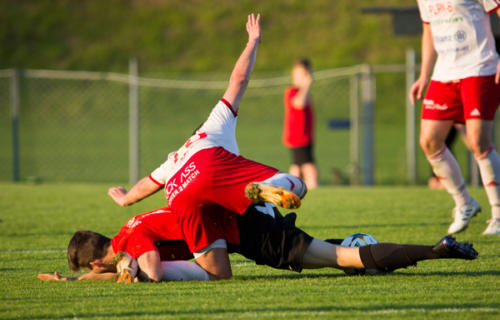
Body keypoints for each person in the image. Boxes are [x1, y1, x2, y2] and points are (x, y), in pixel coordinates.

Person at [107, 14, 307, 280]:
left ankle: (140, 270)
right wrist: (253, 42)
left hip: (191, 200)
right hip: (218, 175)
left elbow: (148, 183)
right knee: (300, 186)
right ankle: (275, 186)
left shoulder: (177, 157)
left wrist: (125, 199)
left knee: (216, 273)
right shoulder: (215, 124)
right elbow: (238, 81)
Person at [38, 204, 478, 283]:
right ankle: (419, 250)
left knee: (346, 258)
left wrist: (126, 272)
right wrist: (73, 283)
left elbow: (150, 270)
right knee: (331, 255)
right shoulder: (129, 228)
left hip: (250, 234)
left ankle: (434, 250)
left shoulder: (132, 239)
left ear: (97, 262)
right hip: (251, 228)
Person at [410, 0, 500, 235]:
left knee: (478, 140)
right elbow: (428, 30)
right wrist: (423, 76)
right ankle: (465, 203)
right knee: (429, 140)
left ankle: (498, 213)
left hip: (479, 68)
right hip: (444, 73)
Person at [282, 59, 318, 189]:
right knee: (309, 166)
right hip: (298, 137)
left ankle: (291, 188)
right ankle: (312, 187)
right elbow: (299, 103)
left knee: (297, 166)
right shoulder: (292, 91)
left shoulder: (305, 94)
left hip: (305, 136)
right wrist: (306, 85)